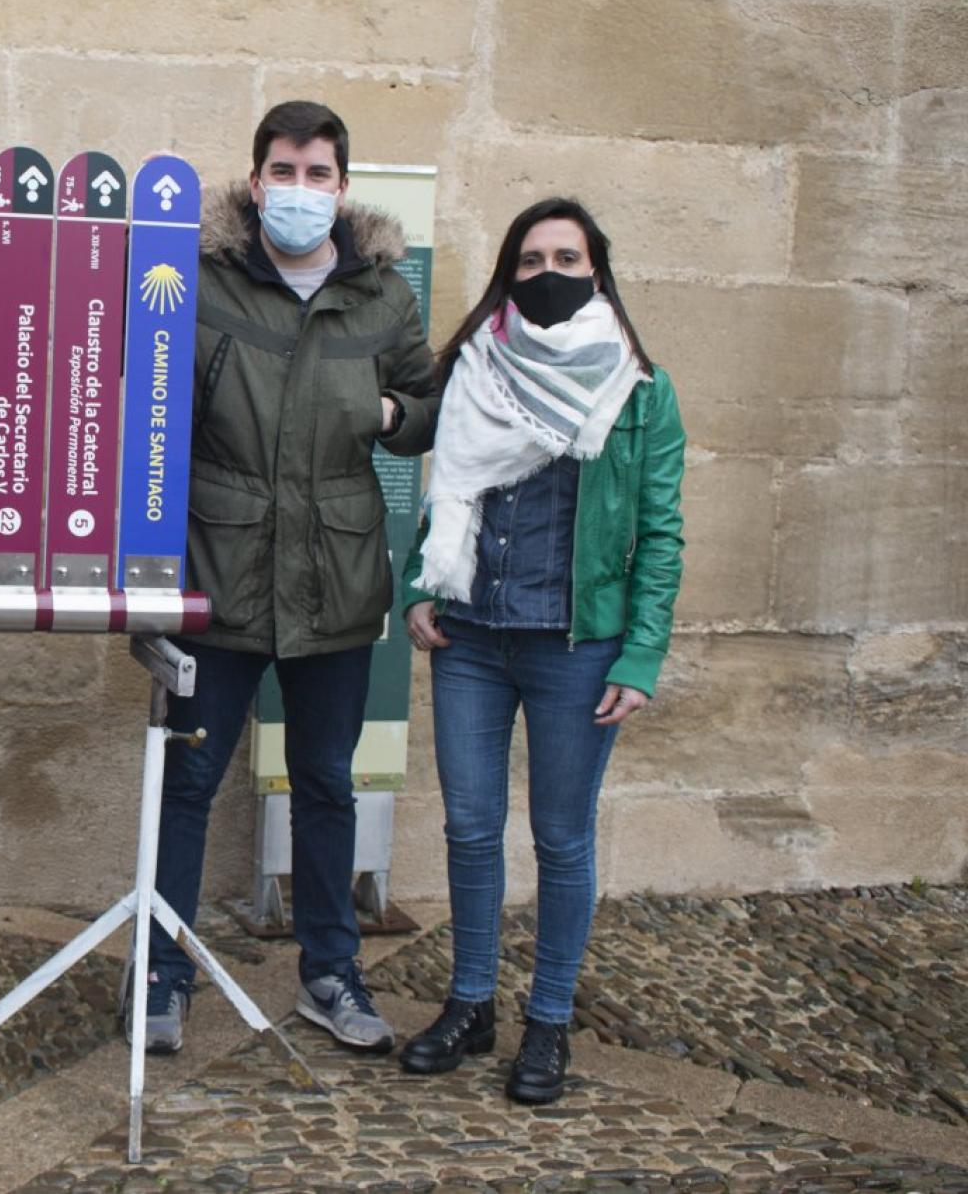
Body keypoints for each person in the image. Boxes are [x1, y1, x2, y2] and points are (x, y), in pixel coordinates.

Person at [142, 101, 440, 1055]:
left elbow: (428, 404)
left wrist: (388, 407)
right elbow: (150, 393)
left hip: (336, 576)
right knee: (185, 784)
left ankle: (330, 973)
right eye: (283, 170)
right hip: (216, 571)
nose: (299, 190)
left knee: (325, 784)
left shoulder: (383, 295)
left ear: (343, 186)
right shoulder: (203, 277)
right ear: (255, 177)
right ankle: (161, 975)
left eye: (318, 174)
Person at [396, 197, 685, 1104]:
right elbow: (448, 487)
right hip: (473, 637)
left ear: (597, 271)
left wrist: (640, 657)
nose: (548, 274)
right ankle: (471, 1004)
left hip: (577, 648)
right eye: (530, 260)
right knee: (470, 829)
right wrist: (419, 586)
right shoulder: (475, 365)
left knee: (561, 839)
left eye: (567, 257)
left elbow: (661, 535)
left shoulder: (639, 389)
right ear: (507, 274)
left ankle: (549, 1021)